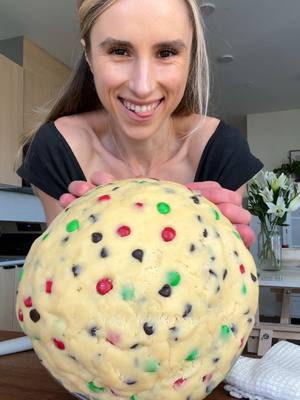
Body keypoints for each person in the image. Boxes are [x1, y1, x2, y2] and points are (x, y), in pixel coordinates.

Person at [17, 0, 263, 247]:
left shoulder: (222, 150)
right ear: (89, 56)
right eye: (119, 51)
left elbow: (220, 278)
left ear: (190, 58)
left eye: (166, 53)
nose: (142, 87)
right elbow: (62, 275)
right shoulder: (57, 149)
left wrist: (225, 252)